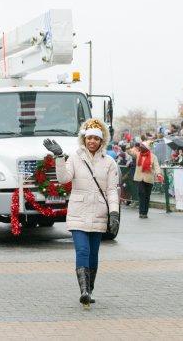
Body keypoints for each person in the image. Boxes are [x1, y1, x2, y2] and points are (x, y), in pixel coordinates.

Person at [44, 118, 120, 307]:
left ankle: (90, 289)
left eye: (96, 138)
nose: (92, 141)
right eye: (89, 138)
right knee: (83, 250)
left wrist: (115, 213)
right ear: (84, 139)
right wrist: (59, 157)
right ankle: (83, 291)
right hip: (78, 212)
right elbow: (63, 179)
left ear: (101, 141)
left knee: (93, 253)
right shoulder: (76, 158)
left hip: (99, 213)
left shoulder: (109, 162)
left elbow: (111, 190)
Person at [129, 141, 163, 218]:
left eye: (143, 146)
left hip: (149, 179)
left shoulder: (153, 156)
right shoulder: (138, 154)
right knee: (141, 194)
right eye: (141, 146)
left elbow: (157, 167)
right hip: (139, 178)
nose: (141, 148)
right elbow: (130, 152)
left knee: (147, 196)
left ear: (147, 148)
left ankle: (145, 213)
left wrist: (159, 174)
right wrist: (131, 146)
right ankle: (141, 212)